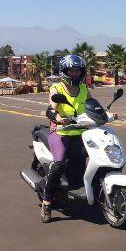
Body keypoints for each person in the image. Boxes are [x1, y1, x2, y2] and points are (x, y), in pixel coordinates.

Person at [41, 54, 89, 223]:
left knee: (89, 159)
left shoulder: (83, 89)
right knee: (59, 163)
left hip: (80, 132)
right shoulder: (57, 88)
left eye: (78, 70)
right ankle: (47, 202)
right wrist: (58, 117)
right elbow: (51, 109)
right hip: (60, 132)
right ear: (64, 72)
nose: (75, 74)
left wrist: (107, 113)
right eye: (71, 70)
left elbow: (92, 106)